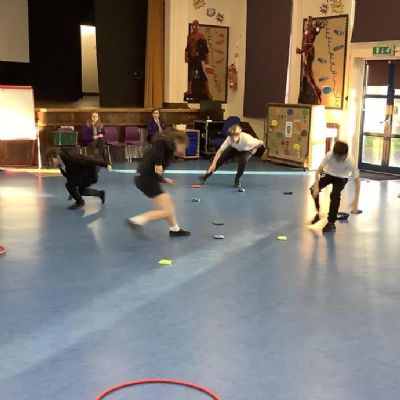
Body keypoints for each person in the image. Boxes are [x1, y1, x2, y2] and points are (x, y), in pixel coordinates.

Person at [128, 128, 191, 237]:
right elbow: (160, 141)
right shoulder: (162, 145)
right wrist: (158, 164)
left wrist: (163, 179)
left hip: (147, 179)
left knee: (168, 206)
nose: (183, 149)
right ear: (176, 141)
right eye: (183, 145)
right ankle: (137, 220)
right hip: (146, 180)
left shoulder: (165, 152)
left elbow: (150, 168)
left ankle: (175, 229)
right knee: (166, 210)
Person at [310, 141, 361, 233]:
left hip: (342, 177)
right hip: (328, 174)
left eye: (339, 157)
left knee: (335, 194)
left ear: (345, 154)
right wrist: (317, 187)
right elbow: (318, 171)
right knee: (313, 189)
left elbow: (357, 182)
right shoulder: (330, 155)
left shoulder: (351, 161)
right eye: (335, 155)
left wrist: (355, 202)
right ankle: (318, 213)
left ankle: (331, 223)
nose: (336, 158)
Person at [199, 124, 264, 188]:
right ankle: (205, 177)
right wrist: (213, 164)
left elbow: (261, 142)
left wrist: (254, 149)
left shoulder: (248, 140)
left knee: (243, 160)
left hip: (246, 150)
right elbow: (220, 151)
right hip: (234, 148)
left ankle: (237, 179)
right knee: (220, 159)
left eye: (235, 136)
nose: (233, 138)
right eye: (231, 136)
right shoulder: (229, 139)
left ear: (239, 135)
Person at [47, 148, 112, 210]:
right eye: (48, 161)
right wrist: (72, 192)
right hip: (81, 175)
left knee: (69, 185)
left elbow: (87, 160)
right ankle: (100, 194)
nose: (50, 163)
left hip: (90, 175)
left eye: (51, 160)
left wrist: (105, 164)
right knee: (80, 191)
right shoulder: (61, 164)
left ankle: (80, 202)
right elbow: (69, 176)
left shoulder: (70, 158)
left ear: (57, 156)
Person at [184, 20, 213, 101]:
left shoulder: (201, 36)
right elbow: (187, 47)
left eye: (196, 26)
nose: (195, 27)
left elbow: (205, 48)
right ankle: (189, 90)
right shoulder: (189, 36)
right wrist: (186, 55)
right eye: (194, 26)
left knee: (202, 74)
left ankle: (208, 92)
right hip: (191, 58)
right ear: (192, 26)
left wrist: (207, 59)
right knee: (190, 74)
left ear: (198, 26)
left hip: (198, 58)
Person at [296, 16, 323, 104]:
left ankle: (313, 87)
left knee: (308, 69)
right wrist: (301, 51)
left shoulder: (312, 30)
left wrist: (318, 27)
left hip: (310, 49)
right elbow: (305, 40)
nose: (308, 23)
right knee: (305, 68)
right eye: (308, 22)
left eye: (310, 21)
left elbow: (317, 32)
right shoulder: (306, 30)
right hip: (306, 49)